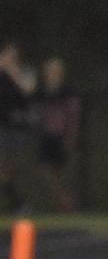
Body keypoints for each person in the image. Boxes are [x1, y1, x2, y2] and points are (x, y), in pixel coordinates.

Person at [36, 56, 82, 212]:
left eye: (55, 70)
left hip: (62, 136)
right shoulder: (41, 91)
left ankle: (67, 205)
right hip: (46, 136)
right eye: (49, 70)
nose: (52, 73)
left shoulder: (67, 91)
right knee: (46, 172)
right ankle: (61, 201)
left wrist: (71, 136)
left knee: (64, 172)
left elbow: (73, 114)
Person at [0, 41, 31, 214]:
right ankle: (16, 203)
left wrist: (15, 76)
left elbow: (28, 93)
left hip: (15, 126)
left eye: (14, 57)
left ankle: (15, 202)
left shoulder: (19, 75)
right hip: (2, 126)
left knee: (11, 167)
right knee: (3, 165)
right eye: (8, 55)